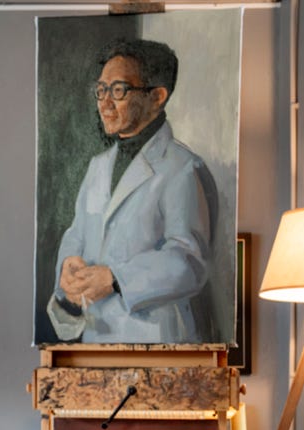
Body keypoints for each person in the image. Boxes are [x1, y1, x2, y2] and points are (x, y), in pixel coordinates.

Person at [47, 39, 217, 343]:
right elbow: (78, 234)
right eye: (101, 90)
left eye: (118, 90)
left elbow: (189, 260)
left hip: (158, 341)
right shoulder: (98, 167)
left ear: (157, 97)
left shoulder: (183, 168)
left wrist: (114, 278)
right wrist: (69, 266)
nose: (104, 102)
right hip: (97, 338)